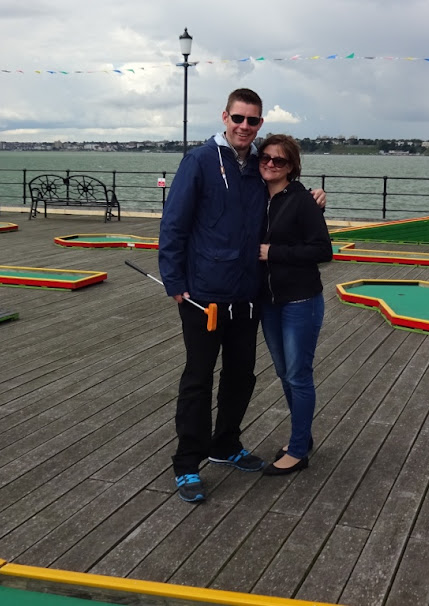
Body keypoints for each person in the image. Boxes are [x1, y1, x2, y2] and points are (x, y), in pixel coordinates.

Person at [158, 89, 325, 502]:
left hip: (247, 296)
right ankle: (187, 463)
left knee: (240, 377)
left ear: (260, 124)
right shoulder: (198, 161)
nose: (244, 127)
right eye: (238, 118)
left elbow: (282, 190)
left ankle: (225, 444)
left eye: (252, 121)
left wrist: (312, 198)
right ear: (225, 116)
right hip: (202, 296)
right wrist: (175, 284)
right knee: (197, 380)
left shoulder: (255, 164)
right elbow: (174, 225)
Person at [257, 135, 333, 475]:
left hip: (301, 300)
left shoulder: (303, 201)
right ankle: (302, 436)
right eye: (266, 158)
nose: (271, 164)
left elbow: (322, 251)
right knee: (284, 373)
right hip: (268, 301)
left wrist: (273, 252)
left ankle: (299, 451)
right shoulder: (254, 197)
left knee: (298, 375)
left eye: (280, 160)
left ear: (292, 167)